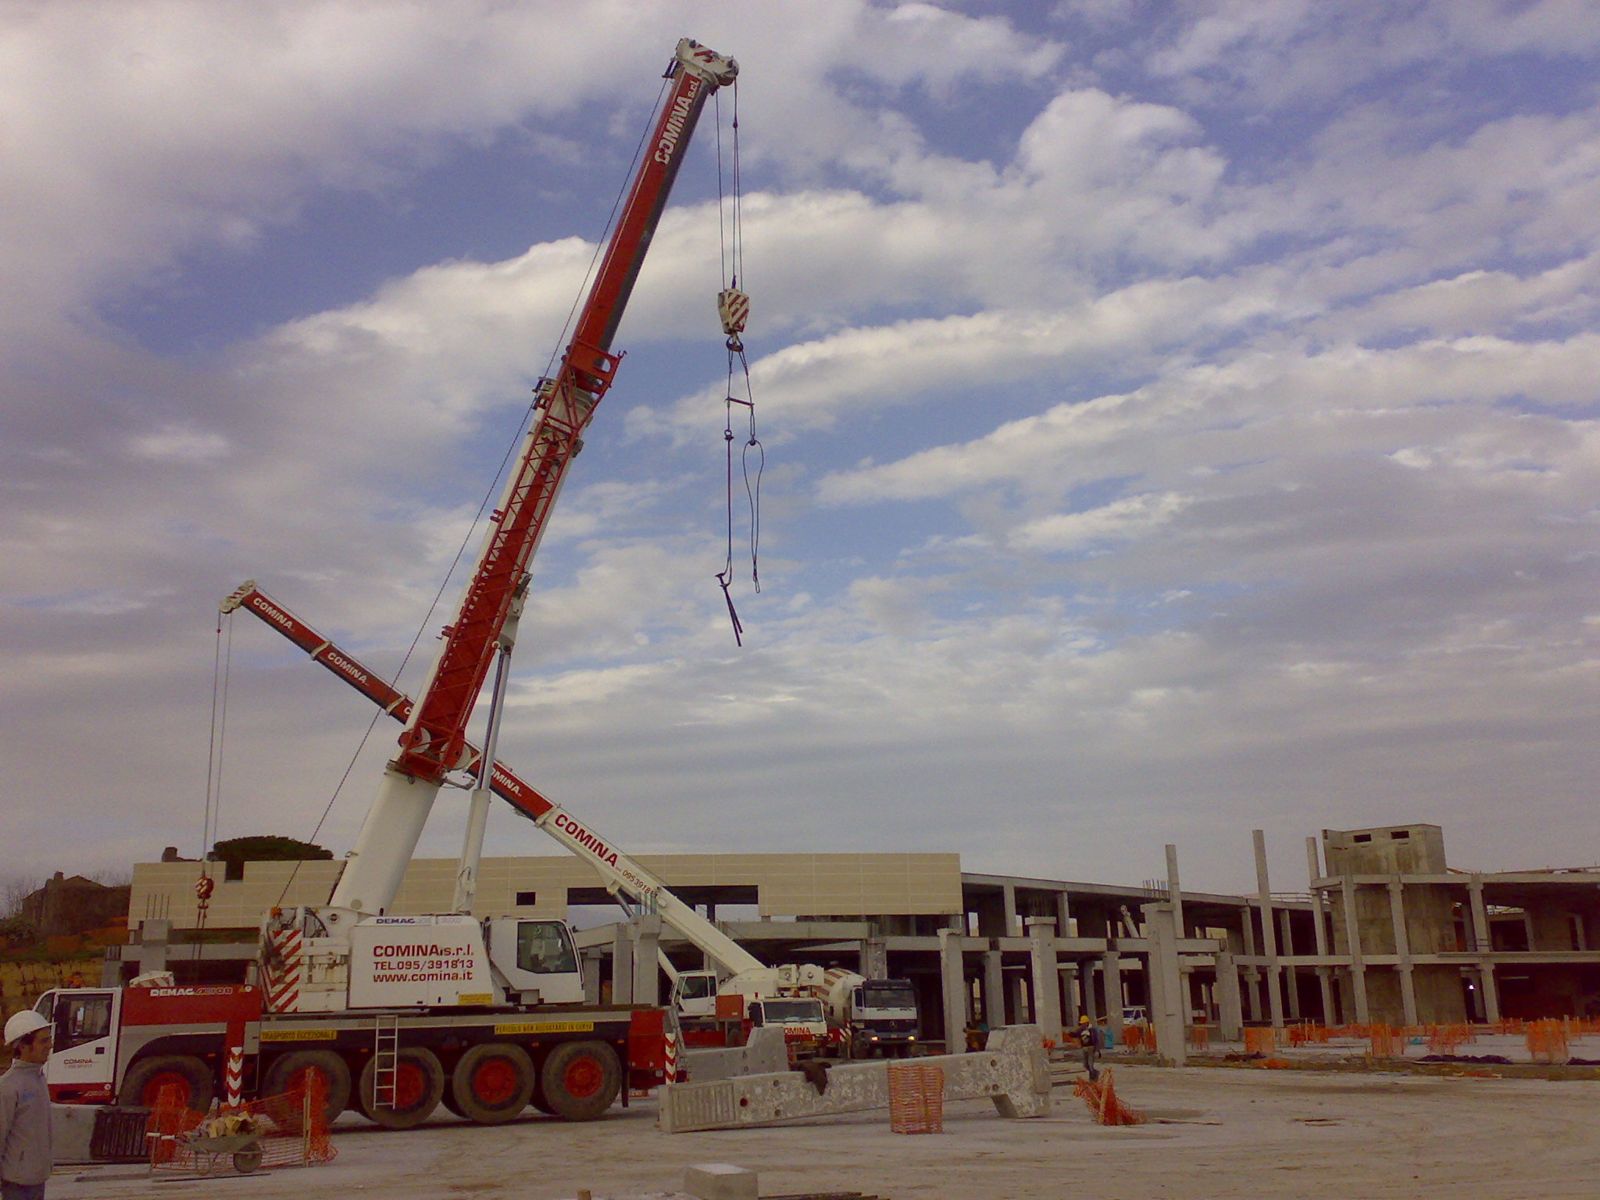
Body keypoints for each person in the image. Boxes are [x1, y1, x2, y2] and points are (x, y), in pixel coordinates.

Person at [1, 1010, 53, 1200]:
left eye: (49, 1039)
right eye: (43, 1041)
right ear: (23, 1045)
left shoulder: (39, 1078)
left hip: (38, 1178)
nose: (50, 1045)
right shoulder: (8, 1086)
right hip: (17, 1184)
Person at [1076, 1014, 1102, 1082]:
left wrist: (1097, 1050)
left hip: (1091, 1048)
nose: (1082, 1025)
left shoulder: (1092, 1030)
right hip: (1084, 1048)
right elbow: (1076, 1035)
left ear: (1087, 1023)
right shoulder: (1081, 1030)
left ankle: (1092, 1079)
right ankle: (1095, 1073)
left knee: (1090, 1065)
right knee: (1085, 1065)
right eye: (1081, 1024)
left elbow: (1096, 1041)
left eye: (1083, 1023)